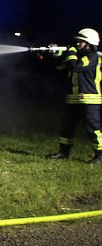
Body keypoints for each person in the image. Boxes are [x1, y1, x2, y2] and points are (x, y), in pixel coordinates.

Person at [45, 28, 102, 164]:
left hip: (90, 100)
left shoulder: (93, 57)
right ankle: (63, 152)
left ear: (88, 44)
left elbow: (76, 66)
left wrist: (71, 52)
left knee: (93, 129)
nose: (77, 43)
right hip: (73, 98)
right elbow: (62, 67)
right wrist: (56, 55)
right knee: (67, 126)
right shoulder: (77, 56)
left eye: (80, 42)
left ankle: (100, 155)